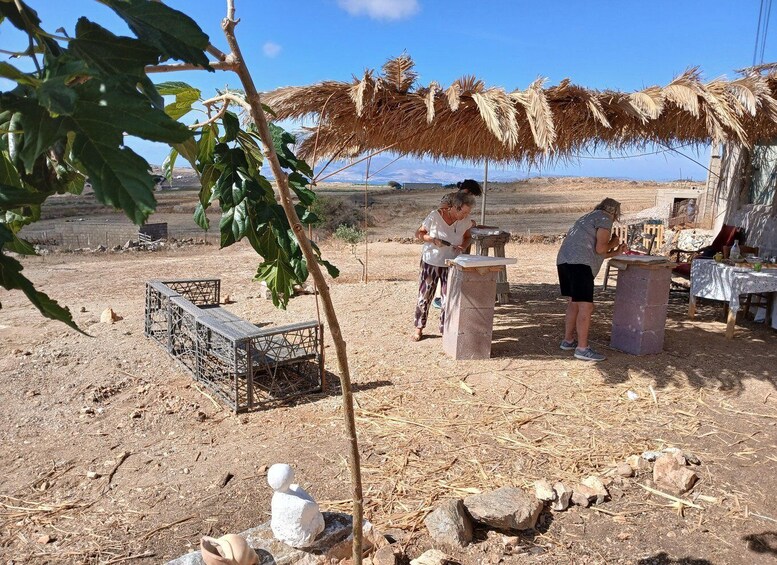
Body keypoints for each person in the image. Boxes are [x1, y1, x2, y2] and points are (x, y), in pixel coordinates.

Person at [556, 198, 627, 361]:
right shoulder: (604, 219)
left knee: (574, 303)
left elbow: (595, 253)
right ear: (615, 212)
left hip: (565, 262)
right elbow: (601, 248)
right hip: (580, 266)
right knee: (586, 307)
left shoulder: (586, 218)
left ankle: (568, 341)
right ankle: (582, 349)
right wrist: (613, 242)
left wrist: (616, 252)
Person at [413, 191, 475, 341]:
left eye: (468, 212)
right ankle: (418, 328)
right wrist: (432, 240)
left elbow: (467, 237)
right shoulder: (435, 216)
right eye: (464, 212)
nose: (466, 215)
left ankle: (445, 329)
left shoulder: (465, 221)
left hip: (452, 263)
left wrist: (463, 246)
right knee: (425, 295)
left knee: (449, 298)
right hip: (432, 261)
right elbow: (419, 233)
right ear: (455, 207)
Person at [433, 180, 483, 309]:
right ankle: (441, 297)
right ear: (468, 191)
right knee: (445, 270)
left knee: (457, 269)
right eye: (472, 194)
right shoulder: (449, 199)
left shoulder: (464, 201)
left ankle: (455, 294)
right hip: (447, 240)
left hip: (459, 238)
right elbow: (443, 215)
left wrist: (468, 222)